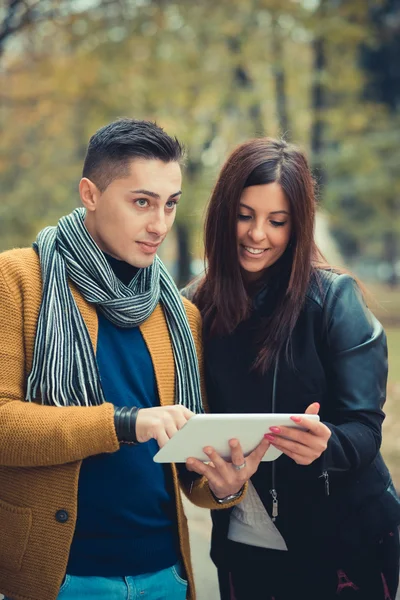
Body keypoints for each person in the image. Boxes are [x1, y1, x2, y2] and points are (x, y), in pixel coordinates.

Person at [0, 119, 271, 600]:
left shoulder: (180, 314)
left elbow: (188, 466)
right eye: (141, 202)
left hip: (165, 572)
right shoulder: (18, 280)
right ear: (90, 193)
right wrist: (126, 423)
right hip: (60, 576)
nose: (159, 224)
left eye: (170, 204)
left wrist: (225, 486)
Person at [183, 137, 400, 600]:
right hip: (243, 547)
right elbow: (189, 430)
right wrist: (215, 483)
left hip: (345, 544)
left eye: (277, 221)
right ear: (222, 213)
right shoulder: (192, 307)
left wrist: (328, 445)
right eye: (244, 215)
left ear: (298, 226)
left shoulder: (334, 300)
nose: (258, 234)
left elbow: (364, 428)